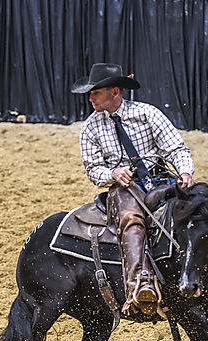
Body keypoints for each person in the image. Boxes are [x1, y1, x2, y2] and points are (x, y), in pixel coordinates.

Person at [71, 63, 194, 316]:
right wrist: (113, 173)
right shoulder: (90, 128)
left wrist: (184, 172)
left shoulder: (148, 114)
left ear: (115, 92)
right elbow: (93, 170)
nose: (91, 98)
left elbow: (176, 149)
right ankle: (139, 284)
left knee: (199, 209)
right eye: (91, 93)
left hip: (161, 179)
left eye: (96, 93)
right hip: (125, 188)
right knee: (130, 219)